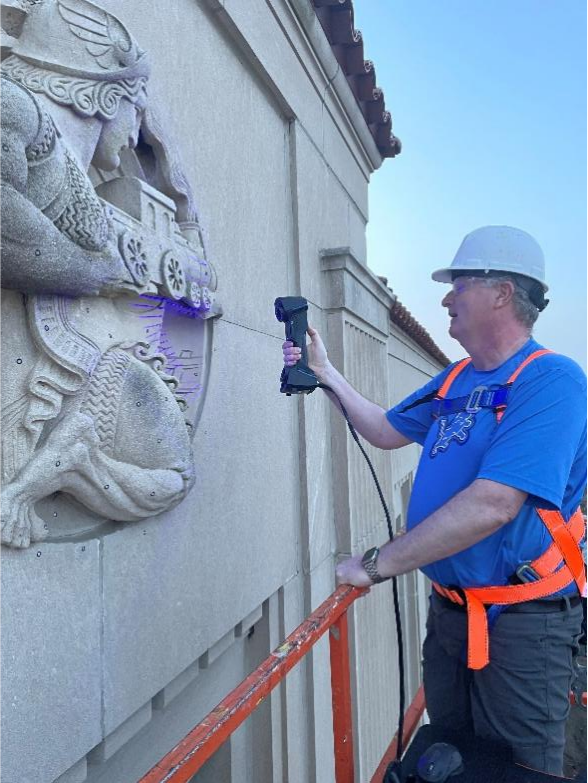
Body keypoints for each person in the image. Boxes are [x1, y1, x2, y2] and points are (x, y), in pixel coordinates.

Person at [282, 226, 587, 775]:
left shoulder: (551, 381)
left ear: (502, 293)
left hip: (522, 625)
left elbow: (493, 503)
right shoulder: (455, 380)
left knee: (513, 771)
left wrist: (377, 566)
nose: (446, 297)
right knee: (448, 760)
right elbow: (382, 429)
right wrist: (325, 374)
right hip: (450, 614)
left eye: (459, 283)